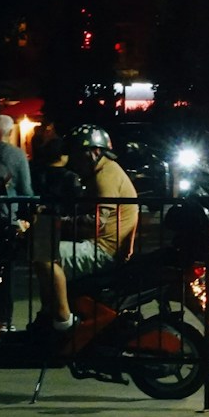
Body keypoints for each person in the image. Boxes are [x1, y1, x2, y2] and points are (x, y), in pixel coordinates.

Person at [32, 125, 138, 341]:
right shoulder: (104, 172)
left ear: (95, 152)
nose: (74, 161)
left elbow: (95, 223)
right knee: (43, 245)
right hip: (103, 245)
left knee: (43, 254)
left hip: (103, 250)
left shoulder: (105, 176)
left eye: (78, 155)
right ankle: (49, 312)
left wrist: (57, 222)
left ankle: (62, 319)